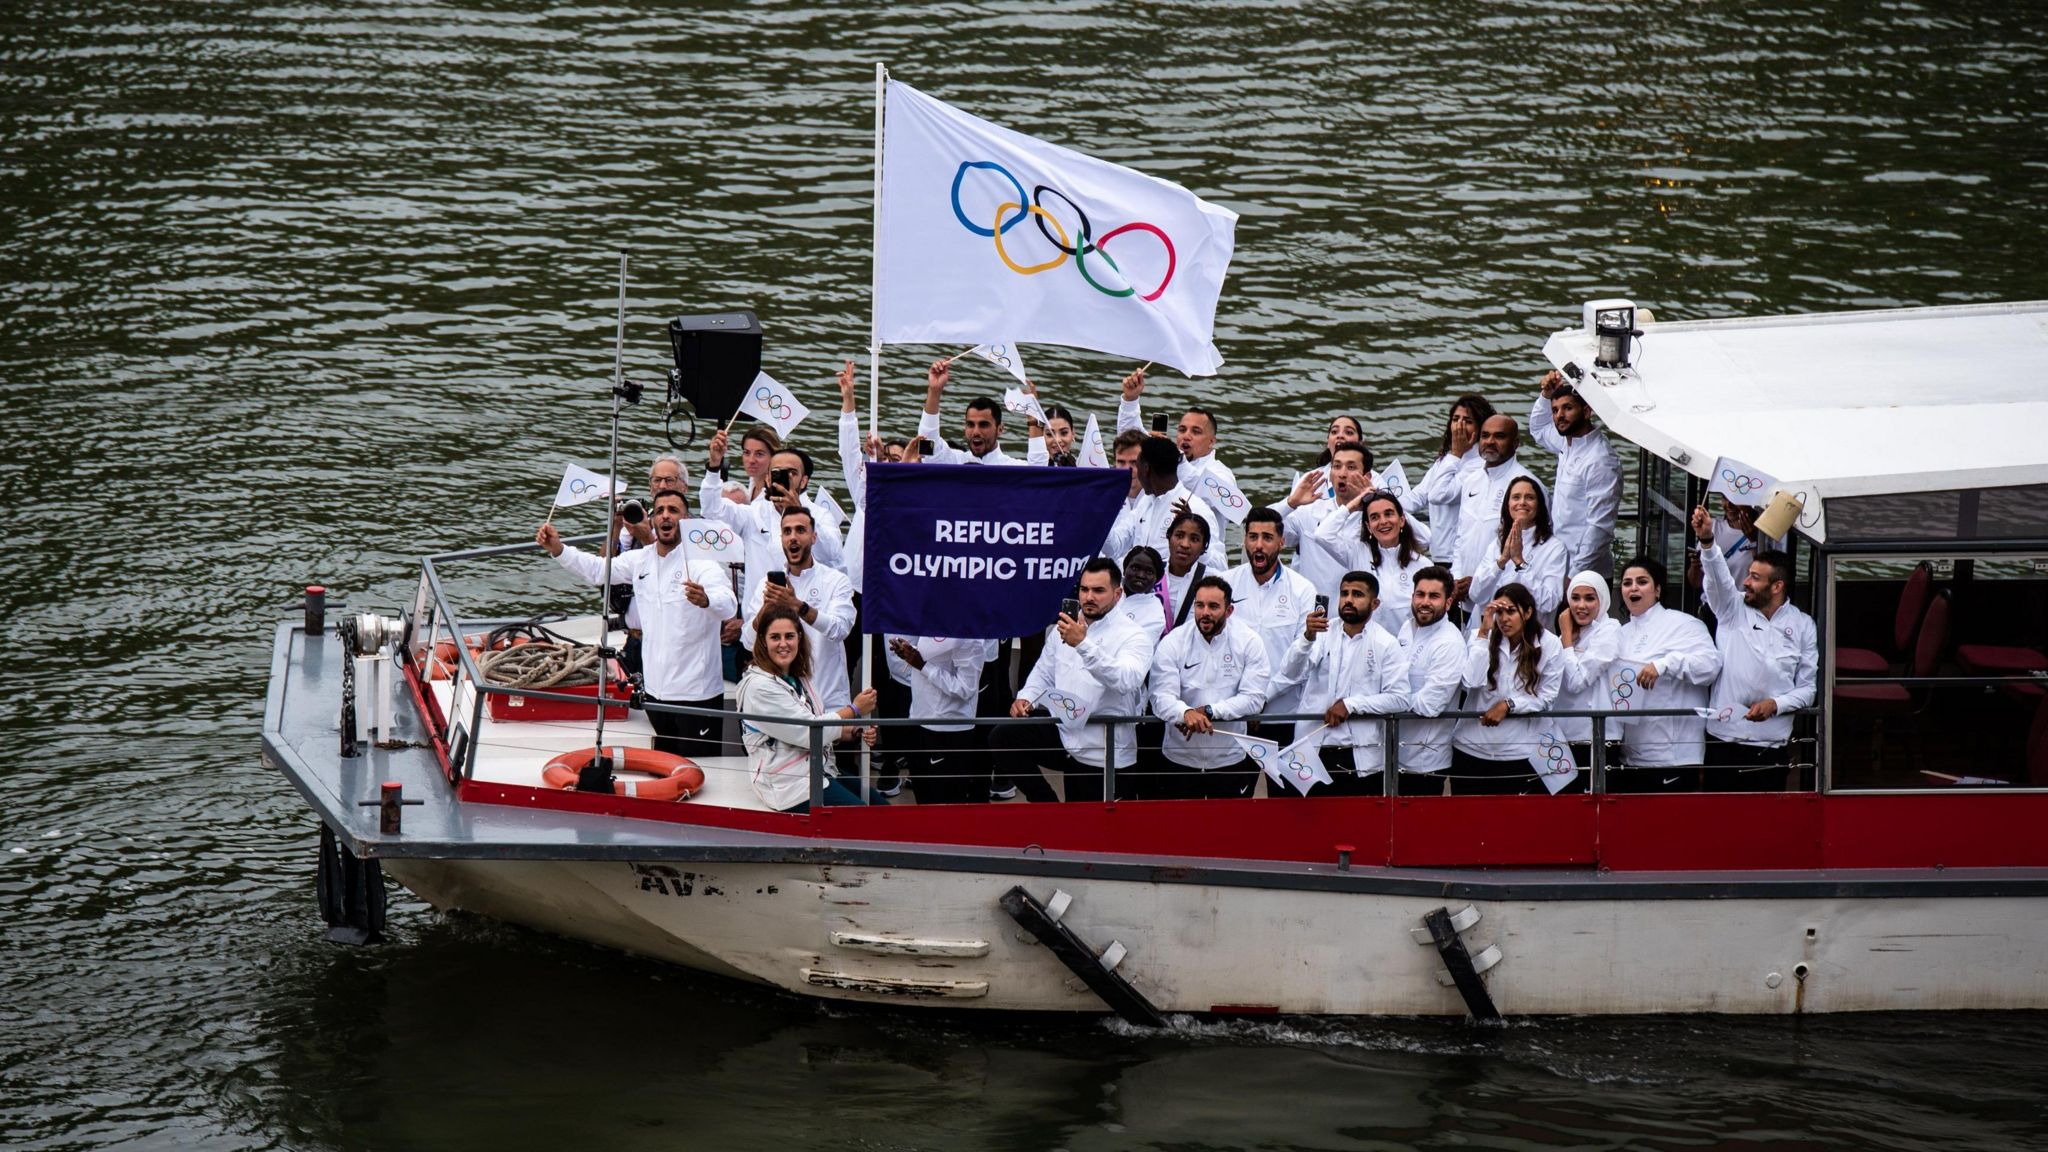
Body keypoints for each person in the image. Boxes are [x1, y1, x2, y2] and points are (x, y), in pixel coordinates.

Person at [536, 488, 734, 757]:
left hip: (696, 695)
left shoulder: (703, 564)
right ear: (652, 519)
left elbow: (728, 603)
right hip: (655, 693)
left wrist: (706, 599)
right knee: (667, 764)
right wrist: (559, 550)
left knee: (704, 770)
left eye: (673, 510)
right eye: (660, 510)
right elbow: (598, 570)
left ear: (687, 520)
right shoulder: (640, 560)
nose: (666, 516)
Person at [994, 557, 1160, 803]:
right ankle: (1048, 807)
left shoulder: (1134, 636)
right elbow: (1044, 671)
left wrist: (1083, 645)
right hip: (1066, 736)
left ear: (1117, 594)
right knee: (1002, 737)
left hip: (1105, 752)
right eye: (1084, 589)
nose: (1089, 597)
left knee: (1098, 834)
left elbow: (1127, 680)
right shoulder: (1065, 627)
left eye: (1098, 590)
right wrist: (1026, 696)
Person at [1691, 505, 1818, 791]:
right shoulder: (1731, 607)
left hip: (1771, 746)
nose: (1746, 582)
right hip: (1724, 741)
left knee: (1766, 827)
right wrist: (1707, 541)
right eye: (1748, 574)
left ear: (1777, 587)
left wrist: (1776, 705)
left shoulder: (1803, 625)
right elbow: (1719, 579)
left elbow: (1808, 689)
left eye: (1755, 578)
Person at [1273, 571, 1410, 794]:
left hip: (1357, 755)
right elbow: (1290, 671)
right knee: (1307, 825)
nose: (1348, 599)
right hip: (1312, 749)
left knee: (1354, 825)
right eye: (1344, 593)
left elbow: (1400, 698)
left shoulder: (1386, 643)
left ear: (1374, 604)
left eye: (1357, 594)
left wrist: (1351, 705)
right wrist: (1307, 638)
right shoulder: (1323, 632)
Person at [735, 605, 879, 812]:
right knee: (863, 816)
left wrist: (854, 733)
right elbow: (808, 731)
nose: (783, 644)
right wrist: (855, 709)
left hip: (818, 770)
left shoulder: (800, 677)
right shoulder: (759, 688)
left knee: (882, 808)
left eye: (789, 636)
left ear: (799, 639)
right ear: (763, 643)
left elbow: (817, 723)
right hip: (789, 784)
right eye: (775, 637)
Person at [1148, 576, 1273, 799]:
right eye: (1200, 605)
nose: (1205, 612)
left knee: (1228, 832)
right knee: (1178, 832)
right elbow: (1159, 696)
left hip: (1230, 760)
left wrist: (1208, 712)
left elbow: (1254, 698)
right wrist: (1184, 713)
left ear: (1229, 610)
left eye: (1213, 606)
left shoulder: (1249, 641)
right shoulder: (1174, 641)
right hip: (1178, 760)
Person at [1612, 555, 1722, 790]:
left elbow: (1710, 666)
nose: (1633, 587)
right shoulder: (1619, 634)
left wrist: (1665, 664)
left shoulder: (1683, 624)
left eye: (1642, 582)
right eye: (1627, 582)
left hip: (1674, 757)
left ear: (1658, 590)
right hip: (1629, 756)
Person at [698, 441, 846, 609]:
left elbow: (832, 555)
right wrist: (714, 466)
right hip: (759, 616)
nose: (785, 478)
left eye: (792, 473)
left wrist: (797, 511)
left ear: (804, 481)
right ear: (768, 479)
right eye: (777, 473)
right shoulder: (752, 513)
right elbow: (711, 510)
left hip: (805, 616)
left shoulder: (820, 515)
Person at [1451, 582, 1564, 795]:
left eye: (1511, 611)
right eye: (1499, 612)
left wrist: (1509, 705)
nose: (1504, 619)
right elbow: (1470, 682)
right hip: (1471, 747)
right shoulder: (1479, 636)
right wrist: (1484, 633)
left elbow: (1547, 697)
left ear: (1528, 612)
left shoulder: (1549, 644)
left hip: (1519, 752)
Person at [740, 506, 858, 710]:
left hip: (829, 702)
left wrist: (797, 606)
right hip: (785, 704)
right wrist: (765, 612)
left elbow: (840, 630)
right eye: (787, 531)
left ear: (814, 537)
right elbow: (749, 641)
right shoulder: (766, 586)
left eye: (800, 530)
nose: (792, 537)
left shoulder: (836, 581)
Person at [1225, 507, 1319, 750]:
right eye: (1253, 536)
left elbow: (1302, 658)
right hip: (1233, 709)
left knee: (1286, 788)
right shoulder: (1226, 584)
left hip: (1283, 711)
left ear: (1282, 542)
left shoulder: (1303, 589)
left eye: (1267, 538)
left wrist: (1262, 697)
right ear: (1244, 539)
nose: (1259, 545)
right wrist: (1244, 702)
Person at [1531, 370, 1623, 579]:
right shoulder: (1567, 442)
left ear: (1587, 410)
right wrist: (1546, 395)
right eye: (1555, 410)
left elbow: (1599, 526)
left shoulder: (1600, 460)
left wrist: (1574, 577)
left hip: (1585, 575)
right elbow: (1538, 429)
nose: (1559, 416)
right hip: (1557, 565)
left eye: (1567, 408)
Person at [883, 632, 988, 804]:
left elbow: (965, 689)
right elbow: (934, 658)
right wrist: (910, 652)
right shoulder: (933, 621)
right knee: (924, 803)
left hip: (947, 731)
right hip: (918, 719)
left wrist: (922, 665)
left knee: (946, 806)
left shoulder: (969, 634)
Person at [1312, 488, 1432, 637]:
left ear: (1402, 520)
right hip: (1364, 645)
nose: (1383, 522)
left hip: (1406, 647)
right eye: (1374, 517)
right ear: (1368, 527)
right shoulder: (1357, 553)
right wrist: (1351, 507)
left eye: (1388, 514)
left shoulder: (1423, 565)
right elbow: (1321, 535)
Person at [1102, 435, 1225, 570]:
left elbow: (1220, 566)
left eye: (1136, 465)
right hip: (1138, 586)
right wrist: (1100, 515)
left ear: (1146, 469)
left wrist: (1194, 534)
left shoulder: (1197, 509)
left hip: (1178, 589)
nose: (1133, 472)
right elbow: (1114, 548)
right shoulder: (1146, 502)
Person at [1396, 566, 1467, 795]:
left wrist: (1383, 701)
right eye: (1420, 594)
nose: (1424, 602)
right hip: (1392, 753)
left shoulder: (1450, 643)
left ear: (1448, 603)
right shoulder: (1407, 627)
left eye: (1434, 596)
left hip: (1425, 762)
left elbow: (1430, 705)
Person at [1463, 476, 1568, 631]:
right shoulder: (1497, 544)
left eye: (1530, 497)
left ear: (1539, 505)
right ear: (1508, 505)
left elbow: (1549, 602)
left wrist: (1520, 563)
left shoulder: (1555, 548)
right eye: (1516, 497)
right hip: (1492, 633)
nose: (1522, 503)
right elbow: (1476, 594)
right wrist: (1502, 562)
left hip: (1532, 637)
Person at [1114, 366, 1240, 494]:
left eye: (1196, 431)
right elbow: (1129, 442)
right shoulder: (1166, 462)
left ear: (1212, 441)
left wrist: (1175, 458)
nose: (1186, 436)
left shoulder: (1221, 474)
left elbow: (1206, 492)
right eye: (1182, 430)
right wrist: (1130, 400)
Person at [1450, 414, 1536, 601]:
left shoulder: (1528, 486)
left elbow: (1532, 546)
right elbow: (1461, 536)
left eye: (1499, 436)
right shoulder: (1471, 480)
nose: (1490, 441)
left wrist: (1482, 580)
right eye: (1485, 435)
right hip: (1463, 593)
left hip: (1504, 594)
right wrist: (1456, 578)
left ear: (1516, 443)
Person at [1405, 395, 1495, 565]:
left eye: (1467, 421)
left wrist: (1455, 454)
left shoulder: (1482, 466)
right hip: (1438, 556)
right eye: (1455, 419)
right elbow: (1416, 499)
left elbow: (1439, 495)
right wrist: (1380, 497)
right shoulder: (1444, 462)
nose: (1459, 426)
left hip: (1460, 559)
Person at [1283, 441, 1375, 598]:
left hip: (1358, 615)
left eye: (1351, 467)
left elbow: (1422, 538)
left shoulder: (1378, 519)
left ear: (1367, 477)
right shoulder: (1308, 512)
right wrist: (1289, 504)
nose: (1342, 473)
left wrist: (1376, 497)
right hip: (1313, 613)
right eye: (1337, 466)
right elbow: (1260, 525)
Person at [1554, 570, 1621, 777]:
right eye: (1575, 598)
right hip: (1564, 735)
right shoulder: (1573, 632)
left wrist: (1565, 638)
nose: (1581, 605)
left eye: (1589, 598)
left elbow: (1575, 682)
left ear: (1602, 599)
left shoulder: (1610, 629)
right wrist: (1566, 638)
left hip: (1596, 737)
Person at [916, 359, 1027, 466]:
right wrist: (934, 390)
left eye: (984, 425)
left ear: (1000, 429)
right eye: (970, 424)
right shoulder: (954, 462)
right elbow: (926, 445)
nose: (976, 432)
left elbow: (1040, 473)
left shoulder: (1014, 468)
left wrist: (1034, 420)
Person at [1161, 511, 1214, 631]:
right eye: (1179, 535)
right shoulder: (1151, 573)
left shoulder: (1212, 581)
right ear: (1169, 537)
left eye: (1194, 539)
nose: (1185, 544)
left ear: (1204, 547)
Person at [1119, 545, 1171, 634]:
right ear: (1124, 569)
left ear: (1157, 579)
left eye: (1149, 572)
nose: (1140, 575)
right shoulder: (1106, 589)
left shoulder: (1155, 616)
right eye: (1135, 568)